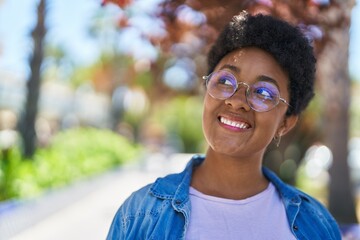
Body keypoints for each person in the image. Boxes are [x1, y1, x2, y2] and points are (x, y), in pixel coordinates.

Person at [106, 11, 341, 240]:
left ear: (285, 123)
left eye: (263, 92)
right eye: (226, 80)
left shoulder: (316, 224)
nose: (237, 100)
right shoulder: (140, 214)